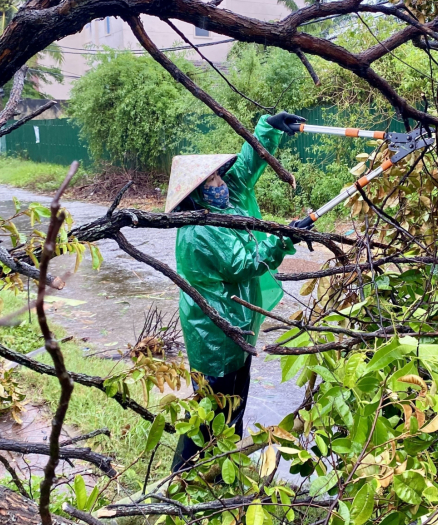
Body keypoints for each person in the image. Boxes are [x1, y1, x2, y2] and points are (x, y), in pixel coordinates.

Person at [165, 112, 310, 472]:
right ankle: (183, 476)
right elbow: (245, 262)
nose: (221, 183)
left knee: (235, 405)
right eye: (212, 180)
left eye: (218, 175)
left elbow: (245, 168)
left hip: (237, 327)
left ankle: (222, 471)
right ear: (195, 194)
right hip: (214, 337)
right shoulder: (200, 231)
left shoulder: (223, 204)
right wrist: (285, 238)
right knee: (209, 411)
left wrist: (268, 128)